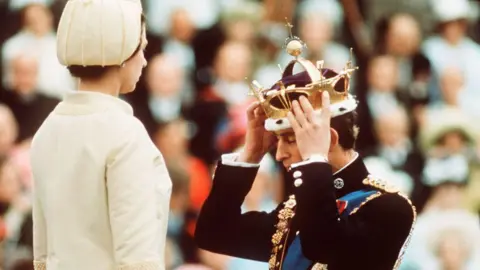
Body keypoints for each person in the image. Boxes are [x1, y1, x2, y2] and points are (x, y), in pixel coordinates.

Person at [195, 22, 416, 270]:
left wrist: (314, 159)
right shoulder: (294, 210)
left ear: (330, 138)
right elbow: (213, 234)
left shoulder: (388, 208)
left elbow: (321, 244)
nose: (278, 154)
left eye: (290, 139)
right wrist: (251, 154)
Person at [29, 0, 172, 269]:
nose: (143, 60)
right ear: (121, 54)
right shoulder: (125, 134)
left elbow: (42, 256)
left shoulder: (48, 129)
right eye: (140, 49)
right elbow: (137, 258)